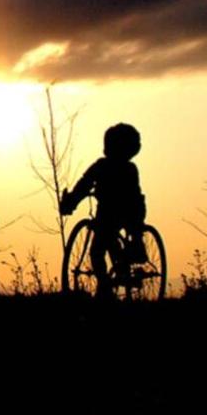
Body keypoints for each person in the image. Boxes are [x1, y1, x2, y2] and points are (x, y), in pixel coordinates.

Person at [60, 123, 148, 296]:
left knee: (97, 251)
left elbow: (84, 185)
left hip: (116, 213)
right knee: (112, 239)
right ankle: (127, 257)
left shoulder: (103, 166)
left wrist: (70, 202)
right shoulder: (129, 168)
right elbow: (85, 184)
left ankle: (106, 285)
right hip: (126, 212)